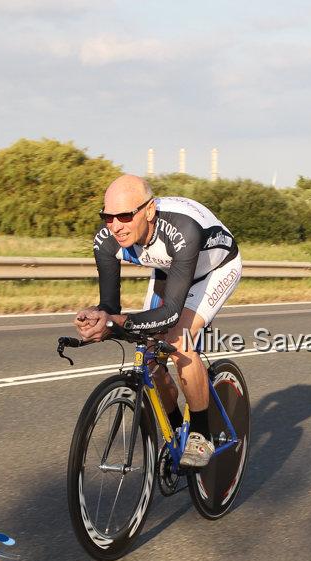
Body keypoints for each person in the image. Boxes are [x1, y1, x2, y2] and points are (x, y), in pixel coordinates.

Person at [74, 174, 242, 467]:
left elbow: (171, 314)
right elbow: (110, 307)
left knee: (178, 342)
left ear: (148, 210)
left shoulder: (182, 229)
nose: (115, 226)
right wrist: (101, 318)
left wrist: (117, 322)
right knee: (151, 357)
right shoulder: (106, 240)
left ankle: (201, 434)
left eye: (125, 216)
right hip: (170, 269)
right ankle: (178, 429)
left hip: (215, 268)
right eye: (107, 217)